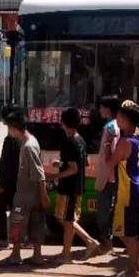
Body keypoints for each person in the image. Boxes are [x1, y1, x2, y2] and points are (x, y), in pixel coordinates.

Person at [51, 107, 101, 262]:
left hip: (69, 187)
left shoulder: (68, 141)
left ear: (63, 122)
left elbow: (74, 168)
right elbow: (84, 163)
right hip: (77, 186)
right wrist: (61, 163)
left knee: (67, 221)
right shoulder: (80, 140)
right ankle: (88, 243)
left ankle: (69, 253)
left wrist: (55, 175)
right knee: (66, 219)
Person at [1, 109, 50, 266]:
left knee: (16, 223)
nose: (8, 131)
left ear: (15, 128)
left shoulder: (28, 146)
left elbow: (39, 173)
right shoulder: (30, 142)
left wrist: (43, 196)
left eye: (9, 128)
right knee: (36, 223)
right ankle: (37, 256)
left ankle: (15, 255)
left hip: (26, 195)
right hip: (31, 194)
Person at [110, 100, 139, 277]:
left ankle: (134, 269)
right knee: (127, 230)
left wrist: (107, 147)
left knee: (126, 232)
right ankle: (138, 261)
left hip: (128, 189)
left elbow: (111, 162)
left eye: (119, 117)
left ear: (126, 120)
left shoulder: (125, 142)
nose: (116, 120)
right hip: (137, 186)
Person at [94, 95, 121, 247]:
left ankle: (106, 242)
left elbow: (110, 151)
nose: (99, 110)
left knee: (103, 213)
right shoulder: (119, 125)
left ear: (108, 109)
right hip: (114, 175)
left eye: (102, 107)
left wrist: (108, 166)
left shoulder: (110, 127)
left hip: (108, 176)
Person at [0, 105, 20, 250]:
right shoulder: (21, 138)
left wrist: (2, 183)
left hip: (9, 182)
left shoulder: (11, 140)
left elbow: (6, 164)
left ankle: (4, 238)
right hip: (17, 182)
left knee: (0, 207)